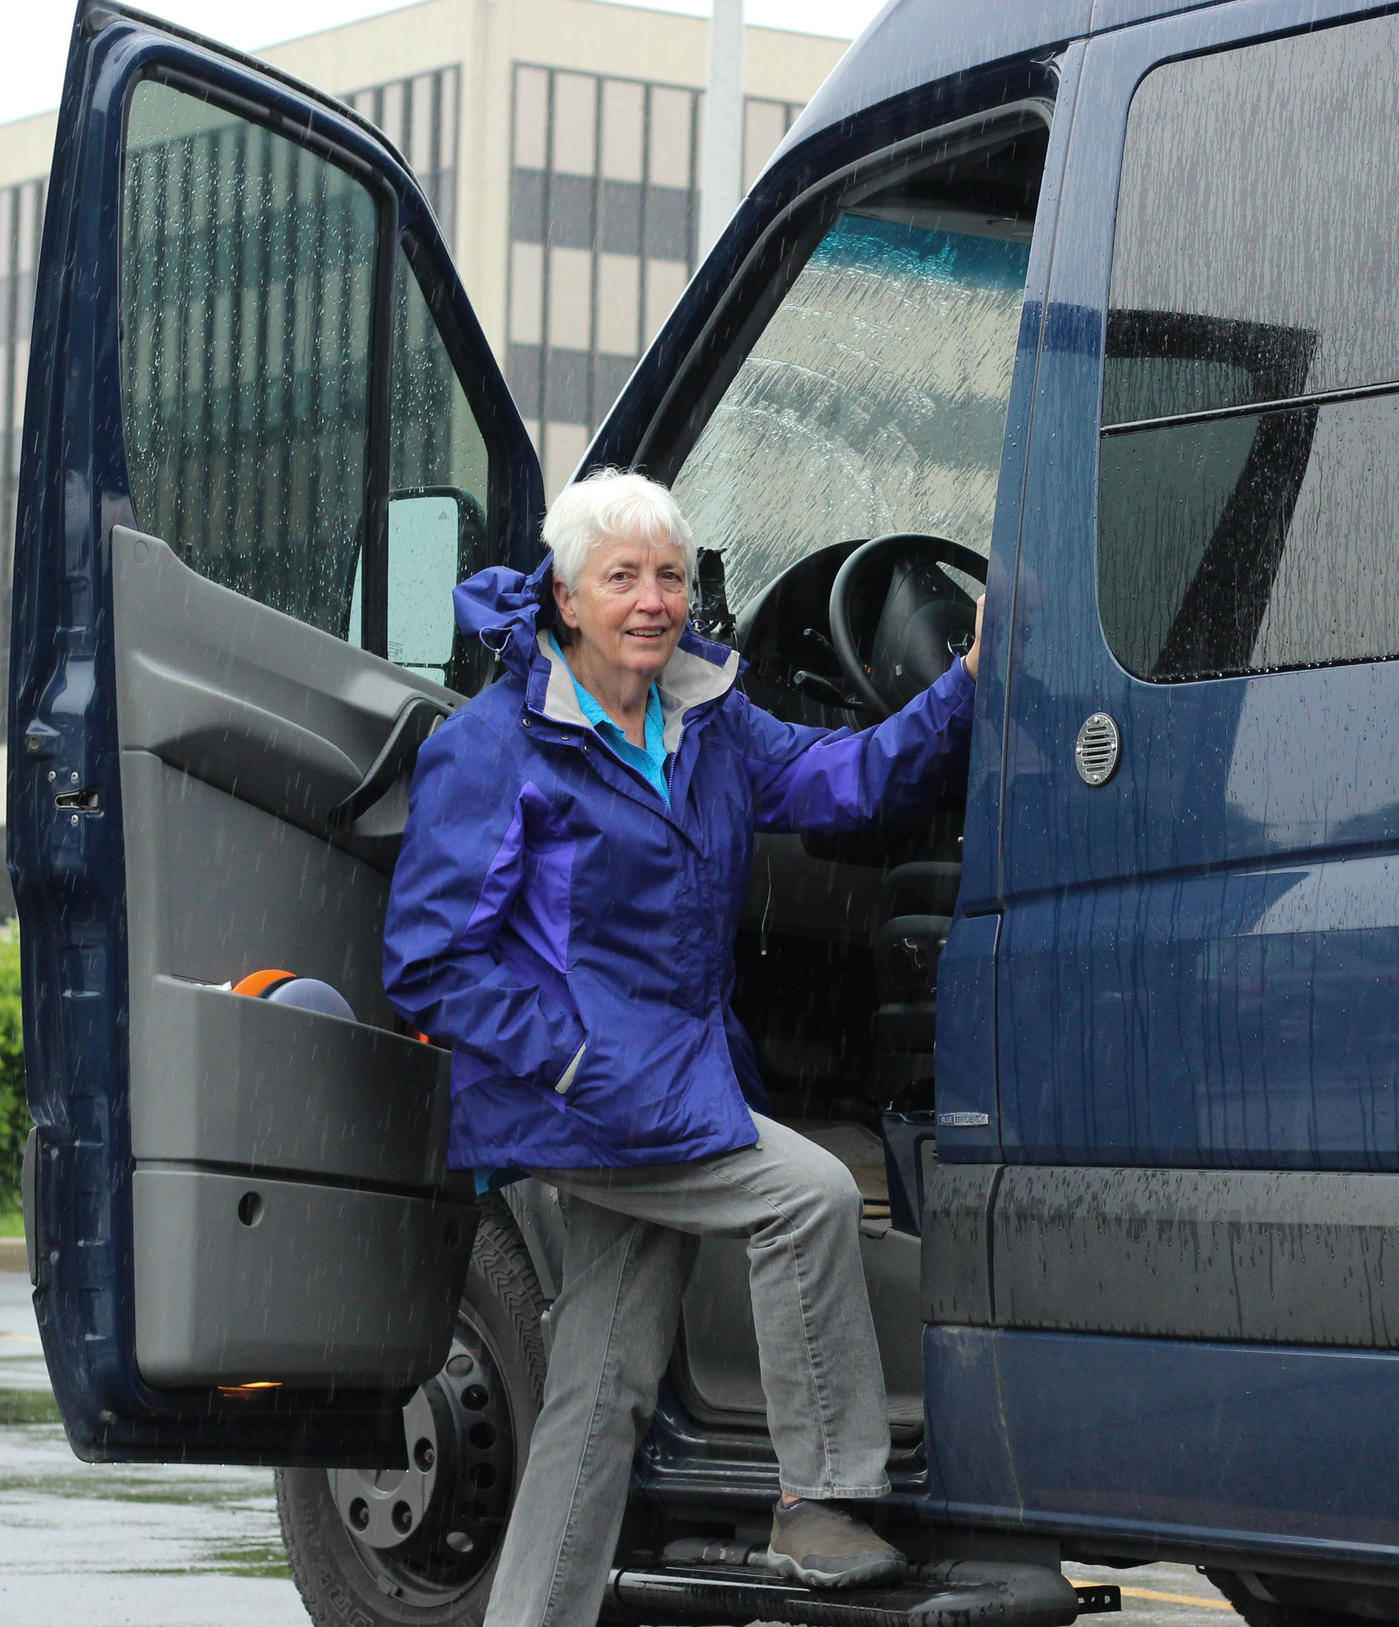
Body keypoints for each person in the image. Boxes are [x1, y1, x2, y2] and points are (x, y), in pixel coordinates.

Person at [384, 469, 981, 1627]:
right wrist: (569, 1061)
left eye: (667, 575)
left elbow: (844, 780)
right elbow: (433, 960)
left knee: (600, 1386)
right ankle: (818, 1499)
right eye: (622, 578)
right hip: (582, 1101)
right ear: (565, 597)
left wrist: (961, 686)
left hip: (677, 1086)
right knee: (805, 1195)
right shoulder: (498, 746)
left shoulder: (705, 721)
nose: (652, 601)